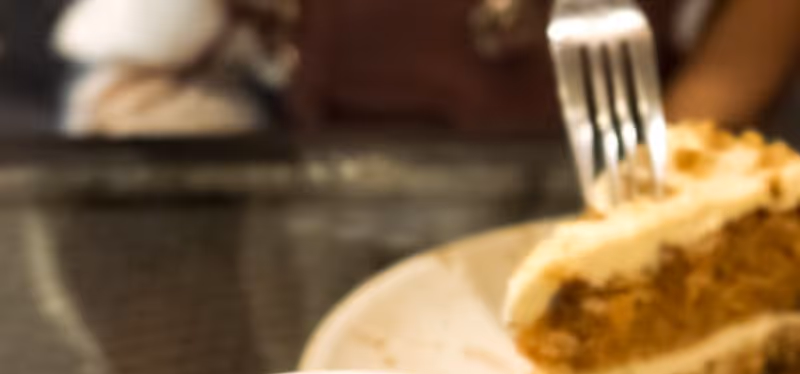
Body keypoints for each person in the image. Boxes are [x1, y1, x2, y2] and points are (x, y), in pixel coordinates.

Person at [52, 0, 800, 137]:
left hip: (590, 170)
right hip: (335, 206)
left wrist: (659, 168)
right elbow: (129, 91)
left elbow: (745, 44)